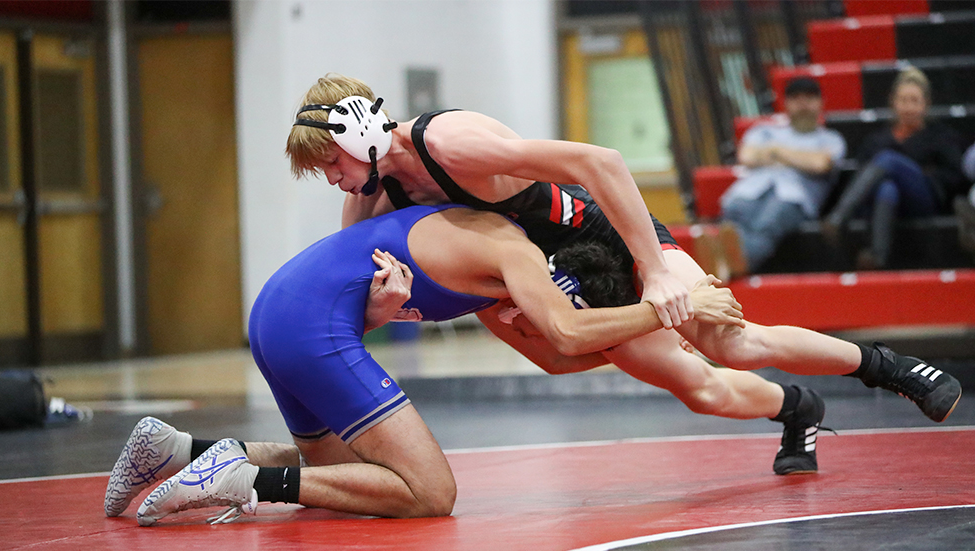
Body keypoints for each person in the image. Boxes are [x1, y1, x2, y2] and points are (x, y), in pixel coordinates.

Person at [285, 75, 962, 476]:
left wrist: (655, 267)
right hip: (541, 270)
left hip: (599, 231)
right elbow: (355, 301)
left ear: (362, 136)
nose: (332, 178)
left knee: (728, 340)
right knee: (689, 385)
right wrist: (386, 308)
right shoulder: (369, 198)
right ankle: (798, 409)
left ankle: (890, 367)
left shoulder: (450, 141)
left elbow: (601, 162)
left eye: (331, 162)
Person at [110, 204, 744, 525]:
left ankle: (179, 449)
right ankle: (239, 481)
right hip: (313, 328)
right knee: (429, 494)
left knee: (352, 478)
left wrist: (619, 345)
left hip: (279, 310)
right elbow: (568, 328)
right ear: (554, 274)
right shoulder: (515, 255)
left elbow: (557, 352)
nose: (528, 315)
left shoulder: (497, 277)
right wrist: (668, 311)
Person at [824, 67, 968, 269]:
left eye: (914, 100)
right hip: (882, 205)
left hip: (923, 200)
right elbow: (860, 173)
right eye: (904, 100)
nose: (909, 107)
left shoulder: (941, 136)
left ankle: (838, 218)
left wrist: (924, 175)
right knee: (888, 188)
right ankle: (877, 256)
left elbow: (954, 175)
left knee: (888, 160)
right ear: (893, 102)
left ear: (926, 104)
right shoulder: (876, 139)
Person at [709, 76, 846, 275]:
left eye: (809, 98)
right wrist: (798, 158)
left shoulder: (832, 139)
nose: (803, 104)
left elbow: (819, 163)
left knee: (768, 221)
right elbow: (747, 156)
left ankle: (728, 268)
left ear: (821, 103)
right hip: (750, 192)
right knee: (734, 210)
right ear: (785, 103)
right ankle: (724, 265)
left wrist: (775, 152)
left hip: (793, 199)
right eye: (796, 98)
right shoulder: (764, 130)